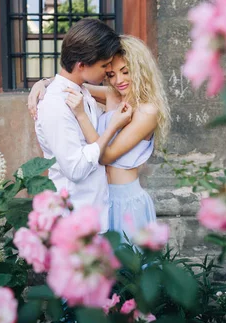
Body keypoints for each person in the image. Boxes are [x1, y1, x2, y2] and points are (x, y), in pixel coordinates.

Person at [29, 35, 170, 237]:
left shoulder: (147, 112)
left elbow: (105, 156)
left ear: (140, 70)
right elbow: (73, 83)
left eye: (126, 72)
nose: (118, 81)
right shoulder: (113, 95)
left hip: (126, 202)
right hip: (101, 199)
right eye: (111, 74)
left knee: (129, 266)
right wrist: (42, 83)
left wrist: (81, 115)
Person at [33, 18, 132, 233]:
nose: (107, 71)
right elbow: (75, 169)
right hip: (73, 221)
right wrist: (112, 128)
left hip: (94, 214)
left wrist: (44, 80)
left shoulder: (82, 92)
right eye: (104, 65)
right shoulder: (55, 103)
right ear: (82, 65)